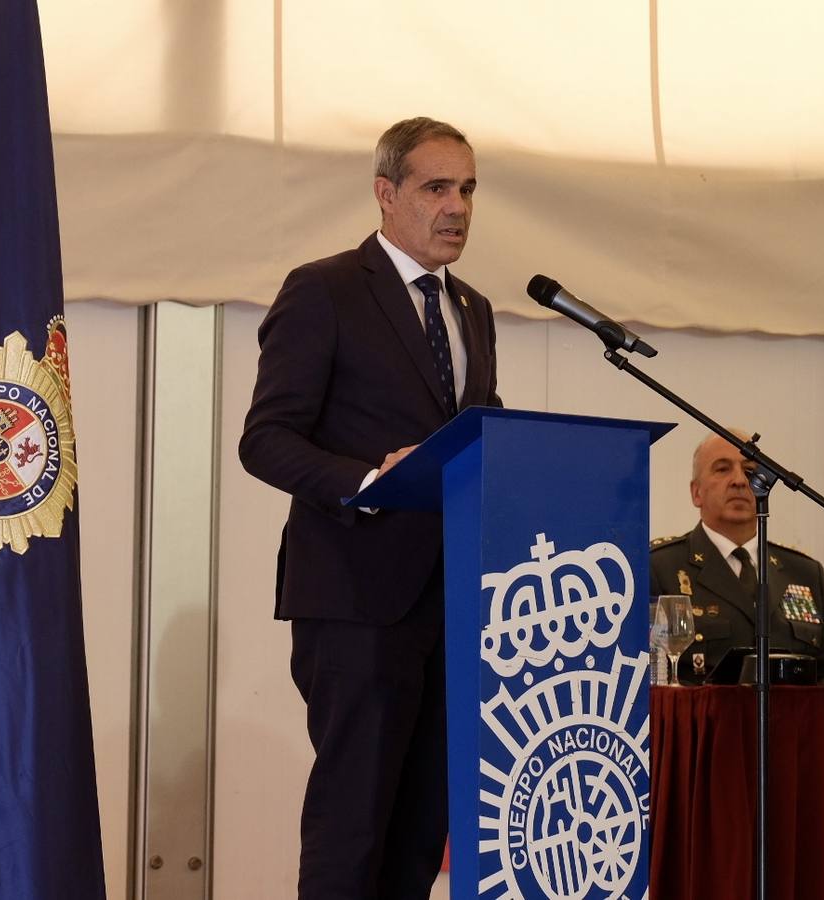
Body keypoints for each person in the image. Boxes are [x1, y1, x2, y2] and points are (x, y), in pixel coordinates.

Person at [239, 117, 501, 899]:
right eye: (436, 187)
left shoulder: (474, 309)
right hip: (356, 596)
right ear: (386, 194)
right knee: (353, 827)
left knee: (422, 829)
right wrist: (366, 480)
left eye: (468, 189)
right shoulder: (323, 289)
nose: (456, 206)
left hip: (454, 604)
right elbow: (266, 439)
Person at [649, 430, 824, 685]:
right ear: (696, 493)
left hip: (789, 723)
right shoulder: (660, 567)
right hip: (704, 722)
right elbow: (649, 679)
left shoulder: (803, 572)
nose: (739, 480)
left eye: (749, 471)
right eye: (722, 469)